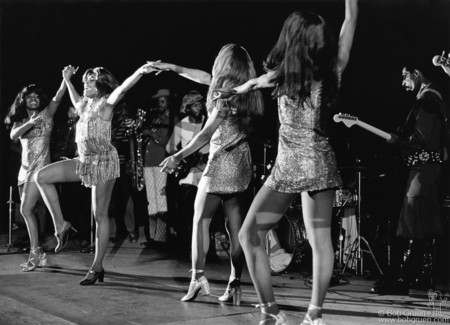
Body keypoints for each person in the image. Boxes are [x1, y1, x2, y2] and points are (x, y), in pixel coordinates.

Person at [217, 1, 358, 323]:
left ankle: (271, 311)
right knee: (320, 242)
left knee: (249, 235)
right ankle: (314, 314)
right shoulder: (330, 71)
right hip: (320, 163)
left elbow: (252, 84)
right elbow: (349, 23)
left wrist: (230, 92)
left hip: (291, 165)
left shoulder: (282, 75)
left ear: (290, 37)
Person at [153, 43, 264, 305]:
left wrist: (177, 156)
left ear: (223, 62)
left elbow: (206, 132)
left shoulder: (223, 94)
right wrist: (170, 67)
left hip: (220, 160)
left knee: (200, 219)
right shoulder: (247, 90)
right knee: (234, 226)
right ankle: (235, 283)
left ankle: (198, 278)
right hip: (241, 159)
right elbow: (200, 76)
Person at [35, 63, 158, 285]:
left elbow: (123, 89)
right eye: (85, 82)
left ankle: (97, 266)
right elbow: (73, 98)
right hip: (83, 160)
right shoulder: (84, 105)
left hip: (103, 162)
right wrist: (67, 79)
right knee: (41, 177)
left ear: (100, 85)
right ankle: (61, 224)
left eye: (90, 81)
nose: (86, 85)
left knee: (99, 215)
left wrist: (139, 72)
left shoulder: (105, 104)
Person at [371, 62, 447, 295]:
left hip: (422, 171)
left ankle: (399, 279)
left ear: (417, 73)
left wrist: (398, 141)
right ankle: (411, 278)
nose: (403, 83)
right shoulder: (434, 99)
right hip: (429, 170)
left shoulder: (427, 100)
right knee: (420, 228)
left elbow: (420, 138)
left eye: (405, 76)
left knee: (409, 227)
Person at [5, 80, 67, 272]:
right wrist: (30, 123)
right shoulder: (21, 119)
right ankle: (39, 253)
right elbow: (13, 136)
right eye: (29, 97)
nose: (33, 99)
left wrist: (65, 80)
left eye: (36, 96)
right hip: (23, 170)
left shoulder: (46, 114)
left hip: (39, 169)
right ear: (23, 100)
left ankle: (36, 252)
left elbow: (57, 98)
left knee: (25, 209)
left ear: (40, 100)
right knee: (27, 212)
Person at [165, 90, 209, 251]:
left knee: (207, 210)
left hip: (207, 170)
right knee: (187, 208)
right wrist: (180, 158)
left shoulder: (208, 122)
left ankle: (206, 244)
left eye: (201, 104)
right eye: (196, 105)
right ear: (187, 107)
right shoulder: (181, 125)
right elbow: (169, 147)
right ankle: (186, 242)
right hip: (189, 172)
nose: (200, 107)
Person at [141, 88, 173, 245]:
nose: (160, 104)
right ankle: (153, 236)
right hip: (149, 163)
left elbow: (166, 142)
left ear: (168, 102)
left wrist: (151, 134)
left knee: (161, 201)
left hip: (161, 163)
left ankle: (161, 237)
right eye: (158, 102)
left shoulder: (171, 119)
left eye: (162, 101)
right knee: (151, 201)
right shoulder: (157, 119)